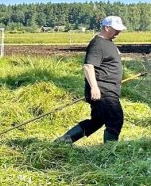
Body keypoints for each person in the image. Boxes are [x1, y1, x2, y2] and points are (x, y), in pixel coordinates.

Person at [55, 16, 128, 144]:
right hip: (103, 90)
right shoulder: (97, 44)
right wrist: (94, 87)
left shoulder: (108, 42)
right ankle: (110, 150)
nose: (118, 32)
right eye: (116, 29)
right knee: (115, 118)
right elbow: (88, 66)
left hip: (109, 88)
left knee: (97, 121)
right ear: (106, 27)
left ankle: (64, 140)